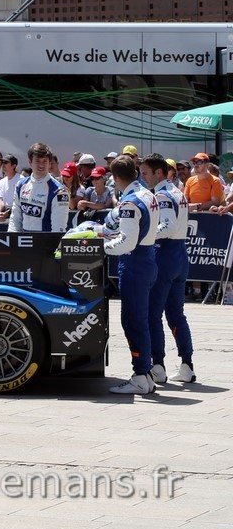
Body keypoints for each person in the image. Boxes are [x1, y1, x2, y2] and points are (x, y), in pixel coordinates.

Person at [103, 155, 160, 395]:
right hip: (148, 259)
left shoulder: (130, 202)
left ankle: (139, 376)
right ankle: (145, 374)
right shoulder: (148, 193)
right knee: (141, 321)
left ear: (115, 178)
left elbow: (126, 243)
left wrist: (102, 245)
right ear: (136, 172)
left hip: (135, 263)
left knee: (133, 321)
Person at [140, 153, 196, 385]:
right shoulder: (177, 192)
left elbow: (167, 226)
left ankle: (158, 366)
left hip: (165, 254)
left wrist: (145, 233)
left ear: (159, 173)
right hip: (180, 256)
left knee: (153, 313)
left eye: (145, 173)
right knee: (176, 313)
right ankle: (187, 365)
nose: (143, 177)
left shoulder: (162, 194)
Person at [8, 142, 69, 232]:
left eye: (45, 161)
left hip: (45, 243)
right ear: (30, 162)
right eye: (37, 161)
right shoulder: (21, 185)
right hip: (23, 242)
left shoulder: (59, 191)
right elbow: (15, 218)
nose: (41, 165)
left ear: (49, 164)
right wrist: (12, 241)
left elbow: (58, 229)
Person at [0, 154, 21, 222]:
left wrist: (7, 213)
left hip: (18, 216)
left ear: (14, 165)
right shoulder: (2, 181)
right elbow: (1, 200)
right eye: (2, 162)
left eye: (6, 162)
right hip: (5, 215)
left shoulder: (21, 180)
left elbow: (20, 202)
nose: (3, 165)